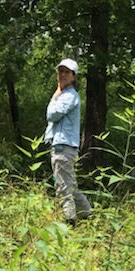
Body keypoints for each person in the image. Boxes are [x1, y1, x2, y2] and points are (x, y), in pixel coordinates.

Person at [44, 58, 93, 222]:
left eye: (67, 72)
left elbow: (51, 115)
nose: (62, 75)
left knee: (63, 188)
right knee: (70, 185)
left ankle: (69, 222)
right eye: (60, 71)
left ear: (74, 77)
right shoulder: (66, 95)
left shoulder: (69, 96)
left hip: (63, 148)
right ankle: (87, 214)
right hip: (63, 147)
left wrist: (55, 95)